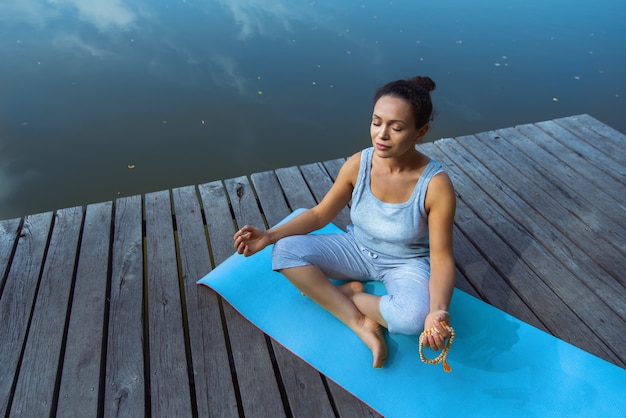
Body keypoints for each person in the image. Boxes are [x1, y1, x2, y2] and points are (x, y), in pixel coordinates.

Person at [233, 76, 456, 368]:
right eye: (377, 122)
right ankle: (359, 322)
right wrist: (270, 235)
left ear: (420, 131)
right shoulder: (359, 164)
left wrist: (436, 311)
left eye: (396, 127)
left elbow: (441, 259)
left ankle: (348, 295)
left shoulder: (435, 185)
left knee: (414, 319)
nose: (382, 135)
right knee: (285, 251)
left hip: (405, 263)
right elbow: (320, 214)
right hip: (355, 247)